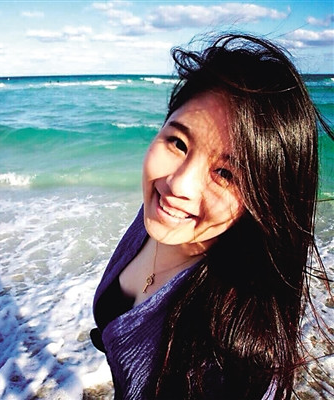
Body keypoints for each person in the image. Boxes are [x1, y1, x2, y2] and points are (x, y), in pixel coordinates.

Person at [91, 33, 333, 399]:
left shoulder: (225, 361)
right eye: (178, 143)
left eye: (226, 174)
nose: (178, 184)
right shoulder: (159, 217)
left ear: (263, 197)